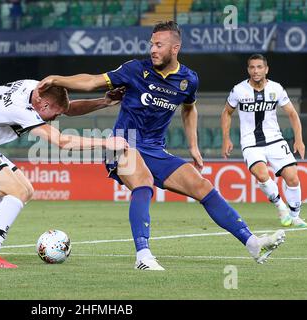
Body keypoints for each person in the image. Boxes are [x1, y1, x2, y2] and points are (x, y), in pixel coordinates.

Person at [38, 21, 286, 271]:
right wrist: (57, 79)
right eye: (151, 44)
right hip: (123, 144)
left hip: (155, 149)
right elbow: (92, 82)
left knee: (202, 186)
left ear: (175, 48)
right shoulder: (135, 69)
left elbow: (189, 108)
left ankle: (253, 243)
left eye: (159, 45)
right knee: (143, 182)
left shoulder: (188, 80)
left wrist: (193, 146)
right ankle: (143, 256)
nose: (153, 49)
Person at [0, 79, 128, 268]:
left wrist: (103, 102)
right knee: (16, 192)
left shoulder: (35, 89)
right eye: (55, 114)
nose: (56, 118)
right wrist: (106, 143)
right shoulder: (21, 109)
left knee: (25, 190)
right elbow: (62, 141)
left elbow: (66, 107)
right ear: (44, 104)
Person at [222, 54, 306, 228]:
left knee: (293, 178)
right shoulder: (239, 90)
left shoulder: (276, 89)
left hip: (275, 140)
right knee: (262, 174)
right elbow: (226, 113)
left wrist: (299, 139)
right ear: (248, 70)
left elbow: (292, 113)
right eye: (252, 67)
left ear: (266, 69)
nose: (256, 71)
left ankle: (295, 216)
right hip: (250, 142)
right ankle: (281, 207)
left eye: (259, 67)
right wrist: (226, 138)